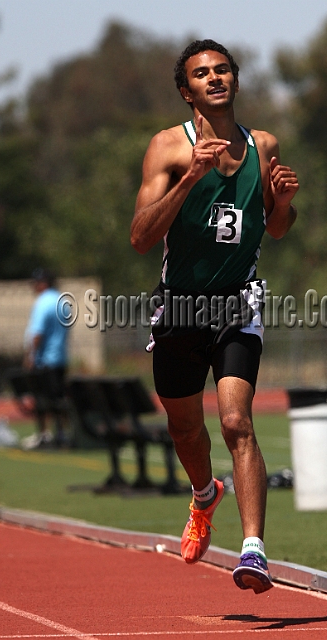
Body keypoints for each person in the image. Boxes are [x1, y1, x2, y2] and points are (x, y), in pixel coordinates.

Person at [131, 39, 299, 594]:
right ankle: (205, 495)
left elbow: (277, 229)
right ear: (187, 90)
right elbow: (140, 237)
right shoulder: (167, 147)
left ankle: (253, 551)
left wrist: (280, 202)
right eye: (202, 74)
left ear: (235, 79)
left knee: (235, 422)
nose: (215, 78)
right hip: (179, 305)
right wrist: (189, 179)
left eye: (223, 70)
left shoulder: (263, 145)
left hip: (237, 300)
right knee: (185, 427)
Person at [22, 268, 70, 449]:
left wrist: (30, 356)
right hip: (60, 358)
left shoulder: (42, 303)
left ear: (42, 283)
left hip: (45, 360)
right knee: (59, 399)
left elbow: (37, 334)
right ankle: (62, 434)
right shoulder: (62, 300)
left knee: (43, 400)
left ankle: (44, 435)